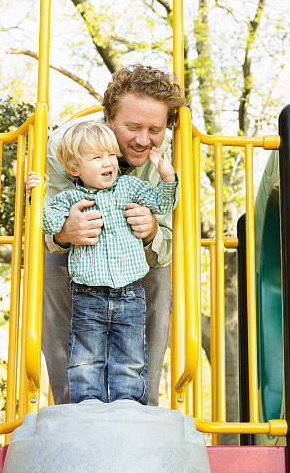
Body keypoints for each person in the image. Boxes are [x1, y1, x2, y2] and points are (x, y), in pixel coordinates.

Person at [39, 64, 186, 405]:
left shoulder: (171, 156)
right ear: (109, 120)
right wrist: (64, 233)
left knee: (161, 277)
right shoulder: (65, 147)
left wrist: (150, 232)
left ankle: (140, 404)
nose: (143, 139)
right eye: (132, 126)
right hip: (81, 261)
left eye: (155, 129)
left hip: (133, 265)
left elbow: (165, 244)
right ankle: (70, 404)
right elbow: (47, 225)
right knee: (51, 267)